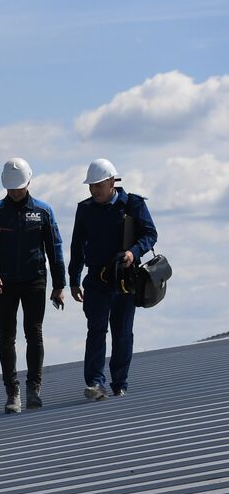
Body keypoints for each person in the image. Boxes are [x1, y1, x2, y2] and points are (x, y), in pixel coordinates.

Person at [0, 157, 66, 414]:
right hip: (3, 282)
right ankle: (12, 391)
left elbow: (55, 249)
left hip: (35, 280)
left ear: (28, 182)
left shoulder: (43, 211)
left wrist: (59, 285)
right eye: (11, 188)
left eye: (19, 187)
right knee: (7, 337)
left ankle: (34, 389)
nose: (15, 192)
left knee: (34, 333)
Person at [68, 158, 158, 401]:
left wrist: (134, 252)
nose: (94, 190)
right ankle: (95, 383)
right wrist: (73, 279)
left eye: (98, 185)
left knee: (122, 333)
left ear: (111, 182)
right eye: (91, 186)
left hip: (125, 279)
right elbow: (77, 246)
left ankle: (120, 383)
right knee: (96, 330)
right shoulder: (85, 209)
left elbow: (151, 234)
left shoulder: (133, 204)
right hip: (96, 280)